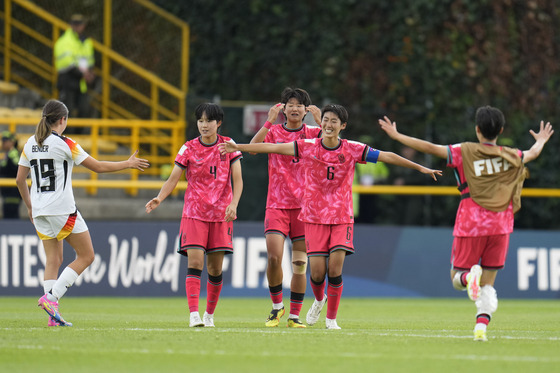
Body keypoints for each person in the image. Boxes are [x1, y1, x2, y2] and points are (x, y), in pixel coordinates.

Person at [220, 104, 441, 329]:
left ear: (342, 126)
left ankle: (331, 320)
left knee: (335, 269)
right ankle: (318, 299)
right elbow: (272, 148)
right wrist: (237, 146)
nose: (328, 124)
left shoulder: (353, 149)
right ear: (320, 123)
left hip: (341, 217)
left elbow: (387, 156)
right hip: (314, 218)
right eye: (325, 120)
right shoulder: (307, 146)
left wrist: (420, 168)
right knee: (317, 273)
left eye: (334, 121)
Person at [378, 106, 554, 341]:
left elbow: (431, 148)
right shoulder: (511, 155)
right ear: (500, 130)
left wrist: (398, 136)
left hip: (471, 221)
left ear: (477, 129)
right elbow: (532, 153)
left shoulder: (464, 151)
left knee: (457, 277)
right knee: (488, 283)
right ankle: (481, 327)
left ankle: (468, 278)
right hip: (501, 223)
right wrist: (541, 140)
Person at [16, 99, 149, 326]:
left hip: (39, 211)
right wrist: (127, 163)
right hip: (62, 210)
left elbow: (20, 179)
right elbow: (97, 167)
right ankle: (51, 298)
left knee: (53, 259)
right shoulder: (65, 143)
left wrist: (29, 206)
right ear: (63, 120)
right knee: (87, 256)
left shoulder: (30, 143)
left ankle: (53, 318)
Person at [146, 103, 243, 328]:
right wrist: (160, 198)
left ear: (218, 123)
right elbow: (173, 178)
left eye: (208, 121)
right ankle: (193, 315)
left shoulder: (229, 147)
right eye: (200, 121)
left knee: (215, 269)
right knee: (196, 262)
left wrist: (234, 204)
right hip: (194, 213)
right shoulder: (188, 148)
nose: (203, 125)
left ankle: (209, 314)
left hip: (221, 215)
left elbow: (237, 180)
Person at [250, 87, 322, 328]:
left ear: (305, 110)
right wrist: (268, 122)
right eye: (289, 104)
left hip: (304, 208)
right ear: (282, 108)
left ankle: (294, 315)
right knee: (273, 257)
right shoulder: (274, 132)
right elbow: (252, 147)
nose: (294, 108)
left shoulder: (314, 132)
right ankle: (276, 307)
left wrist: (322, 122)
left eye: (299, 104)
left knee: (300, 264)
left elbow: (338, 147)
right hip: (277, 205)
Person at [54, 14, 95, 120]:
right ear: (71, 25)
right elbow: (66, 63)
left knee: (84, 110)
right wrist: (84, 74)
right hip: (68, 80)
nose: (77, 27)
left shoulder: (86, 42)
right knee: (67, 112)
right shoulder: (64, 41)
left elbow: (89, 60)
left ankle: (80, 136)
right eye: (75, 24)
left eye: (80, 24)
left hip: (81, 82)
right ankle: (66, 136)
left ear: (84, 25)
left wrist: (90, 73)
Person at [0, 131, 22, 218]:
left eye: (5, 141)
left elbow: (18, 169)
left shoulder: (13, 153)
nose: (3, 143)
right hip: (8, 192)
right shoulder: (8, 154)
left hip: (13, 192)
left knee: (11, 215)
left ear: (12, 142)